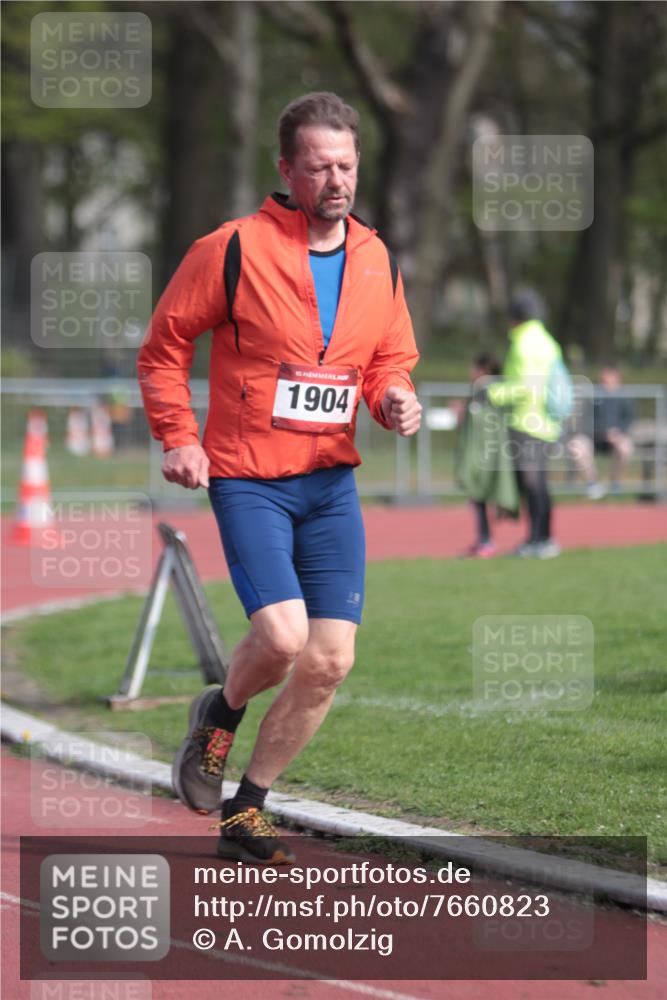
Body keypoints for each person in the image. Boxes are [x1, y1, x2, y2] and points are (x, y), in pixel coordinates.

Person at [137, 92, 421, 864]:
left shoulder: (377, 259)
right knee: (283, 637)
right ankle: (220, 715)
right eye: (319, 167)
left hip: (328, 484)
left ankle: (246, 809)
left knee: (329, 660)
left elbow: (387, 359)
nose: (337, 180)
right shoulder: (232, 248)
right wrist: (179, 437)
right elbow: (164, 349)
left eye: (346, 165)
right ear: (286, 170)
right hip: (249, 478)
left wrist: (392, 397)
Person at [487, 290, 564, 559]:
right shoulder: (548, 342)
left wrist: (492, 392)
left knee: (532, 484)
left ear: (516, 317)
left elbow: (523, 387)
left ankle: (537, 540)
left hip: (526, 421)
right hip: (547, 422)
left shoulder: (523, 344)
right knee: (539, 483)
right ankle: (545, 538)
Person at [455, 353, 519, 557]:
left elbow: (485, 425)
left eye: (474, 368)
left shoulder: (489, 391)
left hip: (486, 454)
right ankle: (484, 539)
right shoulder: (479, 391)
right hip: (480, 452)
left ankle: (486, 540)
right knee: (478, 497)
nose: (470, 372)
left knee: (482, 495)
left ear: (483, 370)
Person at [567, 362, 634, 498]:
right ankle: (593, 482)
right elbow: (586, 420)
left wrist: (618, 433)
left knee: (626, 448)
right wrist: (602, 432)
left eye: (609, 377)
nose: (605, 381)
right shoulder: (593, 396)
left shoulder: (625, 397)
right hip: (593, 437)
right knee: (576, 446)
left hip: (616, 438)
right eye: (603, 378)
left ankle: (615, 483)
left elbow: (629, 419)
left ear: (617, 377)